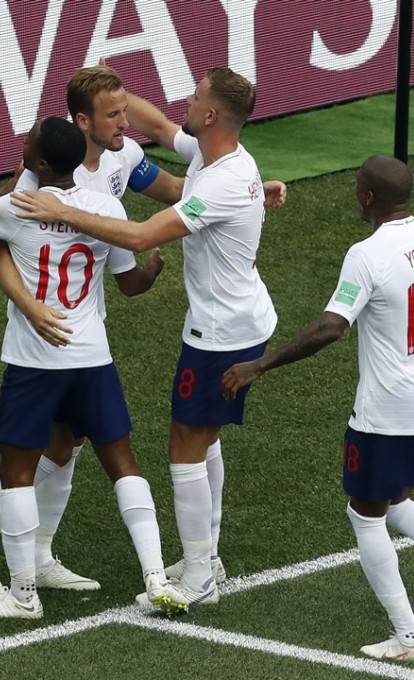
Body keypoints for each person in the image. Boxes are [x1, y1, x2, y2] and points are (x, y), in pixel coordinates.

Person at [0, 64, 285, 592]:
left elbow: (140, 234)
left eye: (196, 95)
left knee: (185, 443)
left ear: (212, 113)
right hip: (145, 334)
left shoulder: (140, 169)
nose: (127, 123)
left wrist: (65, 213)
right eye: (114, 113)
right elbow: (164, 147)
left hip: (214, 331)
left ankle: (199, 570)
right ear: (81, 122)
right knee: (150, 442)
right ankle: (193, 558)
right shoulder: (211, 154)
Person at [221, 155, 414, 662]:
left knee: (365, 515)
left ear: (366, 198)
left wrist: (260, 365)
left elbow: (331, 327)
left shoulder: (367, 254)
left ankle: (409, 639)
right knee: (396, 502)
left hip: (386, 410)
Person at [0, 117, 188, 618]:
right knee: (120, 463)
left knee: (16, 472)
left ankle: (22, 595)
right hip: (91, 357)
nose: (21, 143)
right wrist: (151, 272)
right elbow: (130, 284)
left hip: (32, 359)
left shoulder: (13, 208)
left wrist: (30, 303)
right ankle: (154, 577)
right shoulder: (107, 208)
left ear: (40, 164)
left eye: (29, 144)